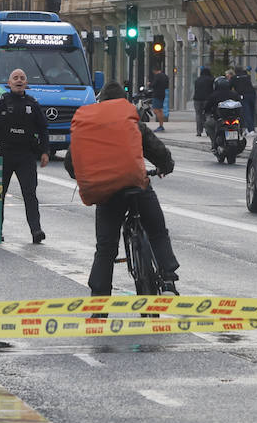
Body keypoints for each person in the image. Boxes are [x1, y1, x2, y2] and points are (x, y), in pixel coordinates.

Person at [65, 82, 180, 295]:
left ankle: (99, 302)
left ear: (101, 102)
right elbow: (154, 148)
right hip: (135, 184)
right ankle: (167, 277)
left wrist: (85, 176)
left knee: (106, 248)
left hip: (106, 193)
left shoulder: (88, 123)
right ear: (123, 101)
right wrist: (166, 166)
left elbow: (71, 162)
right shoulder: (130, 119)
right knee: (156, 229)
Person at [0, 68, 50, 244]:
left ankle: (36, 230)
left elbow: (43, 129)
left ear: (26, 83)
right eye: (15, 78)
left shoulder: (33, 104)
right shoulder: (0, 102)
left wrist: (45, 151)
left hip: (26, 155)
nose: (19, 80)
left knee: (30, 193)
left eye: (22, 78)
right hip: (3, 155)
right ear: (9, 83)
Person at [202, 74, 242, 148]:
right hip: (234, 119)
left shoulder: (214, 95)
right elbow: (240, 104)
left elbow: (207, 107)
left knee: (208, 124)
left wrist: (206, 111)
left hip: (219, 119)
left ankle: (214, 143)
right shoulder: (234, 94)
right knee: (240, 124)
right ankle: (240, 136)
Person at [192, 66, 214, 137]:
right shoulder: (211, 79)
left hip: (197, 99)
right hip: (207, 99)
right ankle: (208, 131)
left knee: (198, 115)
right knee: (208, 114)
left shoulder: (197, 80)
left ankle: (199, 131)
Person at [148, 67, 169, 131]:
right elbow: (167, 85)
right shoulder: (165, 76)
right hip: (163, 94)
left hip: (157, 94)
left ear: (154, 70)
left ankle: (161, 125)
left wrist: (149, 84)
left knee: (156, 110)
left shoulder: (157, 76)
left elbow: (154, 84)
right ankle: (161, 125)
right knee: (160, 110)